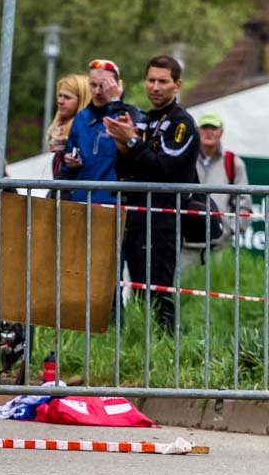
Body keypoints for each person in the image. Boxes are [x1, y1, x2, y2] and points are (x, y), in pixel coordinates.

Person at [105, 55, 199, 332]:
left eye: (163, 81)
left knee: (159, 292)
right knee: (138, 289)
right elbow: (126, 171)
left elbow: (163, 169)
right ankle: (139, 346)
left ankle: (166, 348)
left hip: (164, 219)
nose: (155, 87)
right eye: (151, 80)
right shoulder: (146, 119)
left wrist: (132, 141)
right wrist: (123, 146)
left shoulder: (182, 123)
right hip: (136, 215)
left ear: (177, 85)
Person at [59, 59, 142, 204]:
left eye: (104, 86)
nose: (97, 91)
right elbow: (66, 168)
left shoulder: (130, 114)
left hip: (113, 205)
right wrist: (68, 161)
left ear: (117, 85)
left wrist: (116, 101)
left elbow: (137, 155)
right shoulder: (81, 118)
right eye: (93, 85)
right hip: (80, 202)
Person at [180, 113, 252, 270]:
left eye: (213, 127)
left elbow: (244, 203)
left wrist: (227, 230)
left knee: (218, 292)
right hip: (185, 247)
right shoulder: (183, 158)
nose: (209, 132)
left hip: (218, 247)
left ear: (221, 132)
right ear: (197, 130)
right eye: (205, 127)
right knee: (180, 292)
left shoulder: (233, 163)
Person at [45, 74, 91, 177]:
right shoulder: (60, 130)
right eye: (59, 96)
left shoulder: (87, 131)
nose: (60, 101)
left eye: (67, 97)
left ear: (82, 101)